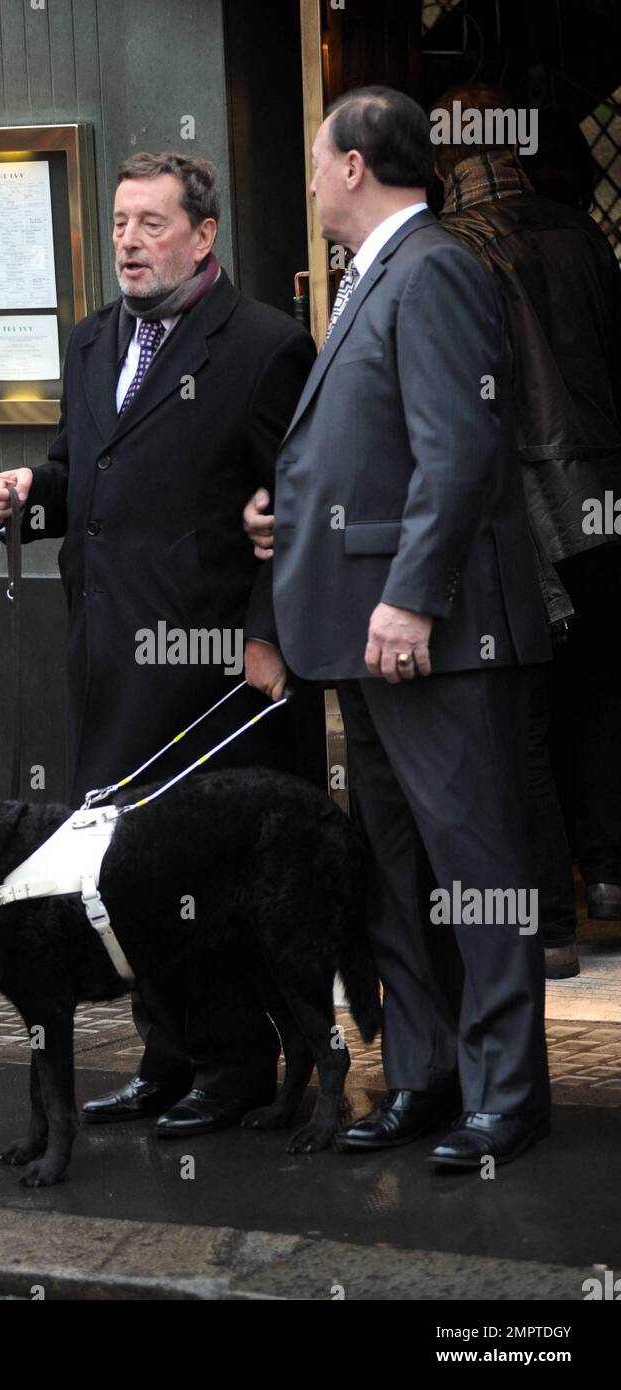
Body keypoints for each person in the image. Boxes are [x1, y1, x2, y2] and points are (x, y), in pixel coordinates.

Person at [0, 152, 320, 1138]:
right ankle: (165, 1058)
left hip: (208, 672)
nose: (129, 240)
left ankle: (237, 1063)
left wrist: (267, 633)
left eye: (152, 223)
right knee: (122, 873)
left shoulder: (263, 347)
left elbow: (294, 513)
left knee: (198, 875)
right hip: (104, 660)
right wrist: (30, 494)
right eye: (122, 221)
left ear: (203, 235)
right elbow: (78, 472)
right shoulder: (91, 344)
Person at [244, 86, 551, 1168]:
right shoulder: (383, 275)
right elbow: (374, 450)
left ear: (356, 167)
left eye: (321, 158)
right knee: (395, 871)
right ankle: (425, 1075)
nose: (314, 176)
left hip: (433, 633)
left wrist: (412, 594)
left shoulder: (433, 272)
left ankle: (506, 1095)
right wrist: (287, 515)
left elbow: (458, 451)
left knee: (474, 868)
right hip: (365, 636)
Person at [435, 84, 621, 977]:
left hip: (532, 503)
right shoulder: (582, 231)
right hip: (607, 490)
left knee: (531, 714)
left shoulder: (461, 249)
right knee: (604, 691)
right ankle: (614, 873)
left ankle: (550, 922)